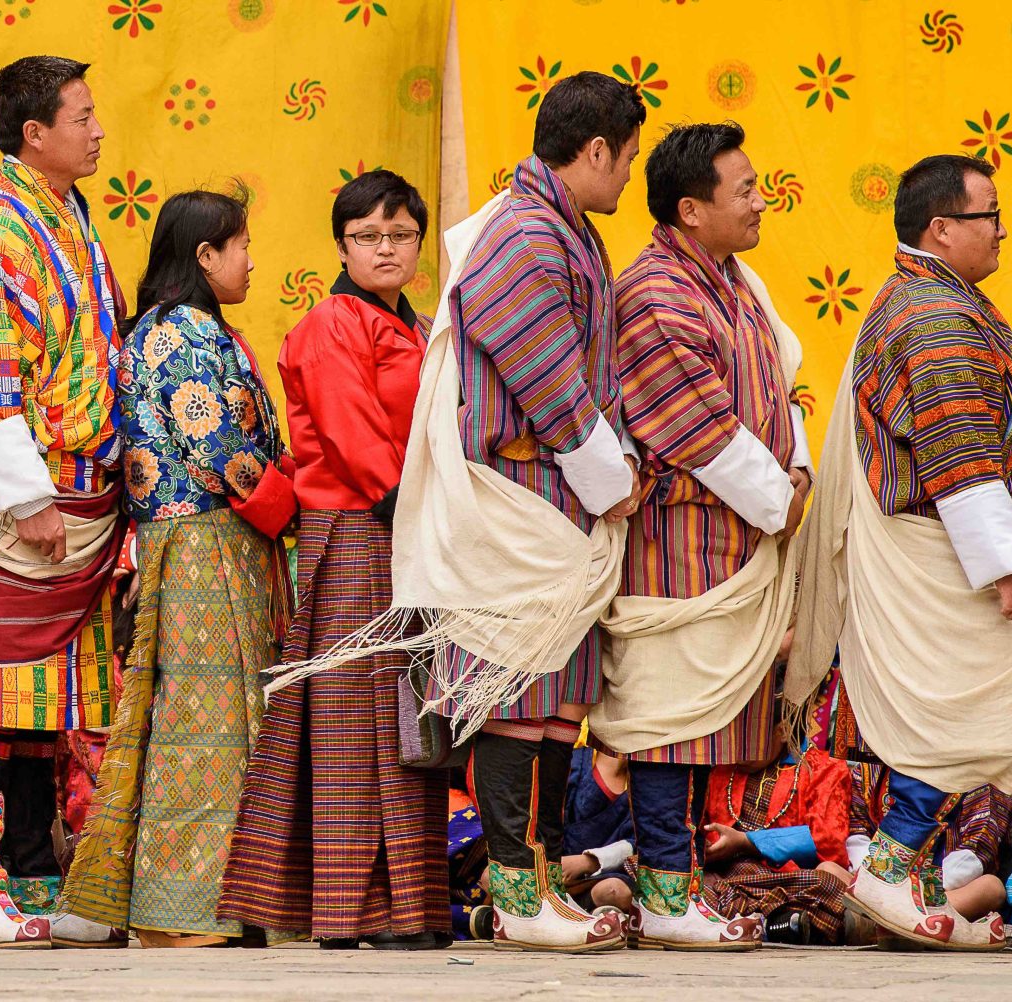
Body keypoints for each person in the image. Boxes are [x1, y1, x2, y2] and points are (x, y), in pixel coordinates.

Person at [285, 72, 646, 953]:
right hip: (513, 496)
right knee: (514, 695)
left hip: (557, 494)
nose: (630, 175)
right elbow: (545, 372)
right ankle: (517, 895)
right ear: (595, 150)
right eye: (627, 157)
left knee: (554, 699)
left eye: (398, 234)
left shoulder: (558, 228)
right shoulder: (524, 233)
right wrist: (613, 475)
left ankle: (539, 888)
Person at [795, 153, 1012, 952]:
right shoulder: (933, 313)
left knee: (974, 719)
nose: (1003, 229)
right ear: (941, 228)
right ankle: (891, 863)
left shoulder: (932, 298)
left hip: (938, 544)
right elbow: (959, 445)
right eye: (989, 214)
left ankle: (908, 877)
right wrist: (1007, 562)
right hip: (939, 549)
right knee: (965, 717)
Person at [587, 122, 808, 950]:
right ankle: (665, 895)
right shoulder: (653, 293)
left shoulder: (737, 280)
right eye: (744, 188)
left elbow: (790, 385)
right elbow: (699, 430)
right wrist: (781, 501)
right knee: (668, 723)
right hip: (678, 542)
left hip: (743, 533)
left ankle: (674, 894)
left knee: (707, 728)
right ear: (691, 208)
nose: (760, 200)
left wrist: (798, 476)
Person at [219, 169, 446, 949]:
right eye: (368, 236)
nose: (386, 248)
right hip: (359, 526)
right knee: (353, 718)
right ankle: (351, 914)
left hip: (404, 527)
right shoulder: (331, 324)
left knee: (400, 714)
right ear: (342, 246)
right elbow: (351, 434)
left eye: (401, 234)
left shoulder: (413, 323)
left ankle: (405, 909)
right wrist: (407, 509)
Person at [0, 54, 123, 949]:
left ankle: (39, 881)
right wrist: (28, 498)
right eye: (82, 116)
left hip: (86, 496)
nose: (97, 129)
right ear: (34, 133)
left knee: (48, 702)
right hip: (28, 505)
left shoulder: (71, 216)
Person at [63, 190, 288, 948]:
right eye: (242, 245)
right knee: (207, 733)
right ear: (204, 256)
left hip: (184, 544)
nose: (251, 261)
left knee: (187, 726)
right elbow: (223, 450)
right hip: (205, 547)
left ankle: (192, 905)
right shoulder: (186, 336)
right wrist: (292, 496)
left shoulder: (159, 329)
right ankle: (181, 913)